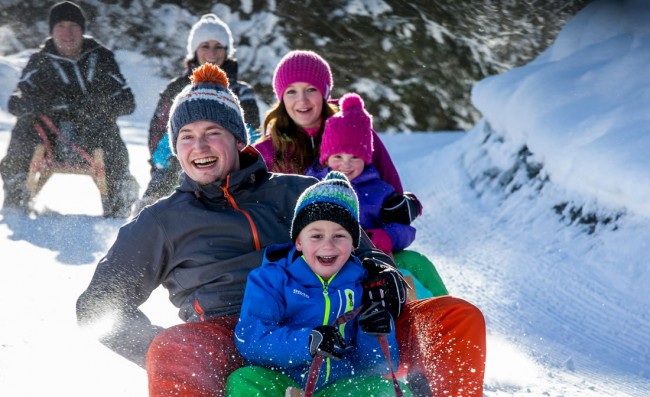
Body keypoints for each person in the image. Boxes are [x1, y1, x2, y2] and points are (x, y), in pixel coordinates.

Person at [76, 64, 484, 397]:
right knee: (175, 347)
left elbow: (364, 250)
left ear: (238, 138)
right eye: (186, 136)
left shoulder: (292, 193)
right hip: (232, 332)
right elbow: (96, 308)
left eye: (212, 132)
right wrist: (163, 358)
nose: (199, 145)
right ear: (174, 149)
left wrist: (382, 277)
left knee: (454, 317)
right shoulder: (160, 222)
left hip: (339, 316)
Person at [225, 171, 434, 397]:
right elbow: (251, 339)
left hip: (339, 389)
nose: (328, 244)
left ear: (353, 243)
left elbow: (376, 367)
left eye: (339, 235)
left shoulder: (364, 285)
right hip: (282, 383)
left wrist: (374, 330)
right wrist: (306, 342)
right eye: (316, 235)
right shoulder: (270, 279)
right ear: (298, 240)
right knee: (243, 383)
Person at [0, 1, 138, 218]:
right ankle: (16, 193)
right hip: (50, 137)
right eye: (61, 26)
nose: (67, 33)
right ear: (52, 30)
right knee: (25, 125)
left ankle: (119, 196)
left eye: (73, 26)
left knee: (108, 132)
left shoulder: (101, 57)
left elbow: (127, 101)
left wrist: (96, 106)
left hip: (93, 134)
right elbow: (16, 103)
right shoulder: (40, 60)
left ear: (82, 30)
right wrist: (45, 105)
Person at [254, 49, 421, 227]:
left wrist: (403, 208)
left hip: (366, 237)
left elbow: (392, 191)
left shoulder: (352, 129)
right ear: (281, 98)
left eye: (311, 90)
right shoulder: (268, 151)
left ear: (325, 93)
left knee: (412, 257)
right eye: (291, 92)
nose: (302, 100)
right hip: (299, 245)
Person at [134, 13, 261, 213]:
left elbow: (252, 133)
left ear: (227, 51)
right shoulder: (177, 88)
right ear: (195, 50)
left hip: (228, 162)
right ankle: (149, 214)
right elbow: (158, 130)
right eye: (205, 46)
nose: (212, 52)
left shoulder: (242, 92)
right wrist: (160, 159)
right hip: (179, 160)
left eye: (218, 46)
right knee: (173, 170)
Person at [308, 91, 418, 256]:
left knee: (418, 262)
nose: (346, 164)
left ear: (366, 159)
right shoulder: (312, 186)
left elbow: (404, 229)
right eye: (338, 156)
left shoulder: (379, 191)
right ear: (325, 159)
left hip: (370, 257)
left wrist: (387, 236)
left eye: (354, 157)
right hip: (325, 258)